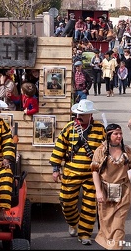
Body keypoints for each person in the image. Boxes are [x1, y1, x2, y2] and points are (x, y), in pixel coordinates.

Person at [49, 99, 106, 245]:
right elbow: (59, 147)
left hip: (92, 175)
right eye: (77, 114)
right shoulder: (69, 128)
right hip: (71, 172)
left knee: (89, 205)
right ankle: (74, 222)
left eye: (82, 114)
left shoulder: (100, 129)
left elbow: (106, 151)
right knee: (66, 202)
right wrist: (55, 168)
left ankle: (85, 234)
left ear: (90, 116)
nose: (78, 117)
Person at [91, 123, 131, 249]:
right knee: (106, 226)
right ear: (108, 135)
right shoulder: (100, 151)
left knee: (118, 225)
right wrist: (98, 191)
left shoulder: (127, 150)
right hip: (105, 191)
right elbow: (94, 171)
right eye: (116, 134)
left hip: (124, 191)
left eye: (121, 133)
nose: (119, 136)